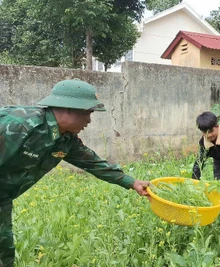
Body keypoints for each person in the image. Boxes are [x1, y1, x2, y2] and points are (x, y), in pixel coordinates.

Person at [0, 79, 150, 267]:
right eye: (88, 113)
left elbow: (93, 163)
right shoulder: (18, 125)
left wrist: (132, 182)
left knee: (4, 253)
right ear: (69, 108)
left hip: (3, 198)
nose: (89, 120)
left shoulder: (65, 139)